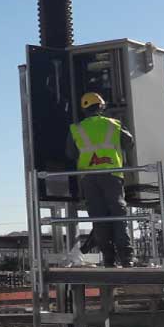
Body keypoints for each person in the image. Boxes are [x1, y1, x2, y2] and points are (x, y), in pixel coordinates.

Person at [66, 92, 135, 267]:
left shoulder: (76, 129)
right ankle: (126, 258)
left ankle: (109, 259)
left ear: (84, 109)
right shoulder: (114, 124)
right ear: (102, 106)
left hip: (89, 178)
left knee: (99, 218)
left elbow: (71, 153)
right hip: (112, 175)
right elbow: (129, 143)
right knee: (118, 216)